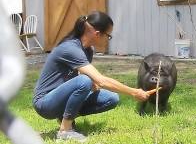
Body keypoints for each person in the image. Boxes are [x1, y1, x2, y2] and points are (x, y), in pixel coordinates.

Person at [33, 11, 149, 142]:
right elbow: (99, 80)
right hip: (45, 103)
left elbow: (90, 80)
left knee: (111, 98)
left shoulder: (88, 50)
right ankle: (65, 130)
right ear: (97, 34)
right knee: (84, 81)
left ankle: (65, 118)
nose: (108, 39)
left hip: (61, 98)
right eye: (108, 36)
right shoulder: (70, 48)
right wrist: (134, 92)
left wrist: (94, 85)